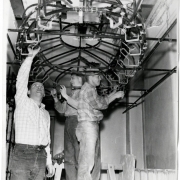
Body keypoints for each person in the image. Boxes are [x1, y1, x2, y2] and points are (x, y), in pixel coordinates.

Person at [10, 46, 54, 180]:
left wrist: (49, 162)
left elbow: (47, 140)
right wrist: (30, 57)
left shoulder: (46, 113)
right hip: (23, 153)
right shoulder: (23, 102)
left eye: (41, 86)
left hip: (41, 156)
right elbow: (22, 80)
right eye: (35, 85)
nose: (39, 87)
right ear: (28, 92)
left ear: (44, 93)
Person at [50, 71, 85, 180]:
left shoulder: (85, 93)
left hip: (78, 121)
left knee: (79, 156)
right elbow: (61, 109)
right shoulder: (71, 95)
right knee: (69, 157)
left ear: (80, 79)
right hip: (68, 123)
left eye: (72, 78)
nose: (70, 81)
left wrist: (64, 95)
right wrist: (55, 97)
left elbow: (81, 107)